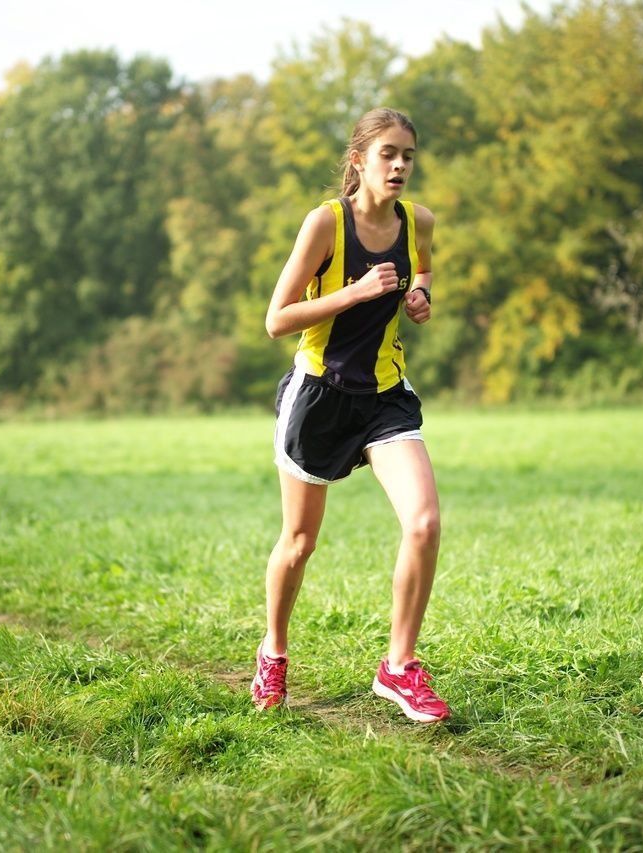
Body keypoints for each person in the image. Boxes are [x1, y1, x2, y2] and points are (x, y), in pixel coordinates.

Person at [251, 107, 449, 723]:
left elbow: (424, 268)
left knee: (423, 523)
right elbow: (276, 320)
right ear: (359, 159)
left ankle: (398, 667)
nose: (399, 166)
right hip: (319, 398)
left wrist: (419, 296)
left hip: (385, 395)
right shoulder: (326, 225)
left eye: (408, 156)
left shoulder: (419, 221)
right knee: (300, 542)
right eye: (387, 154)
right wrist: (355, 292)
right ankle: (274, 652)